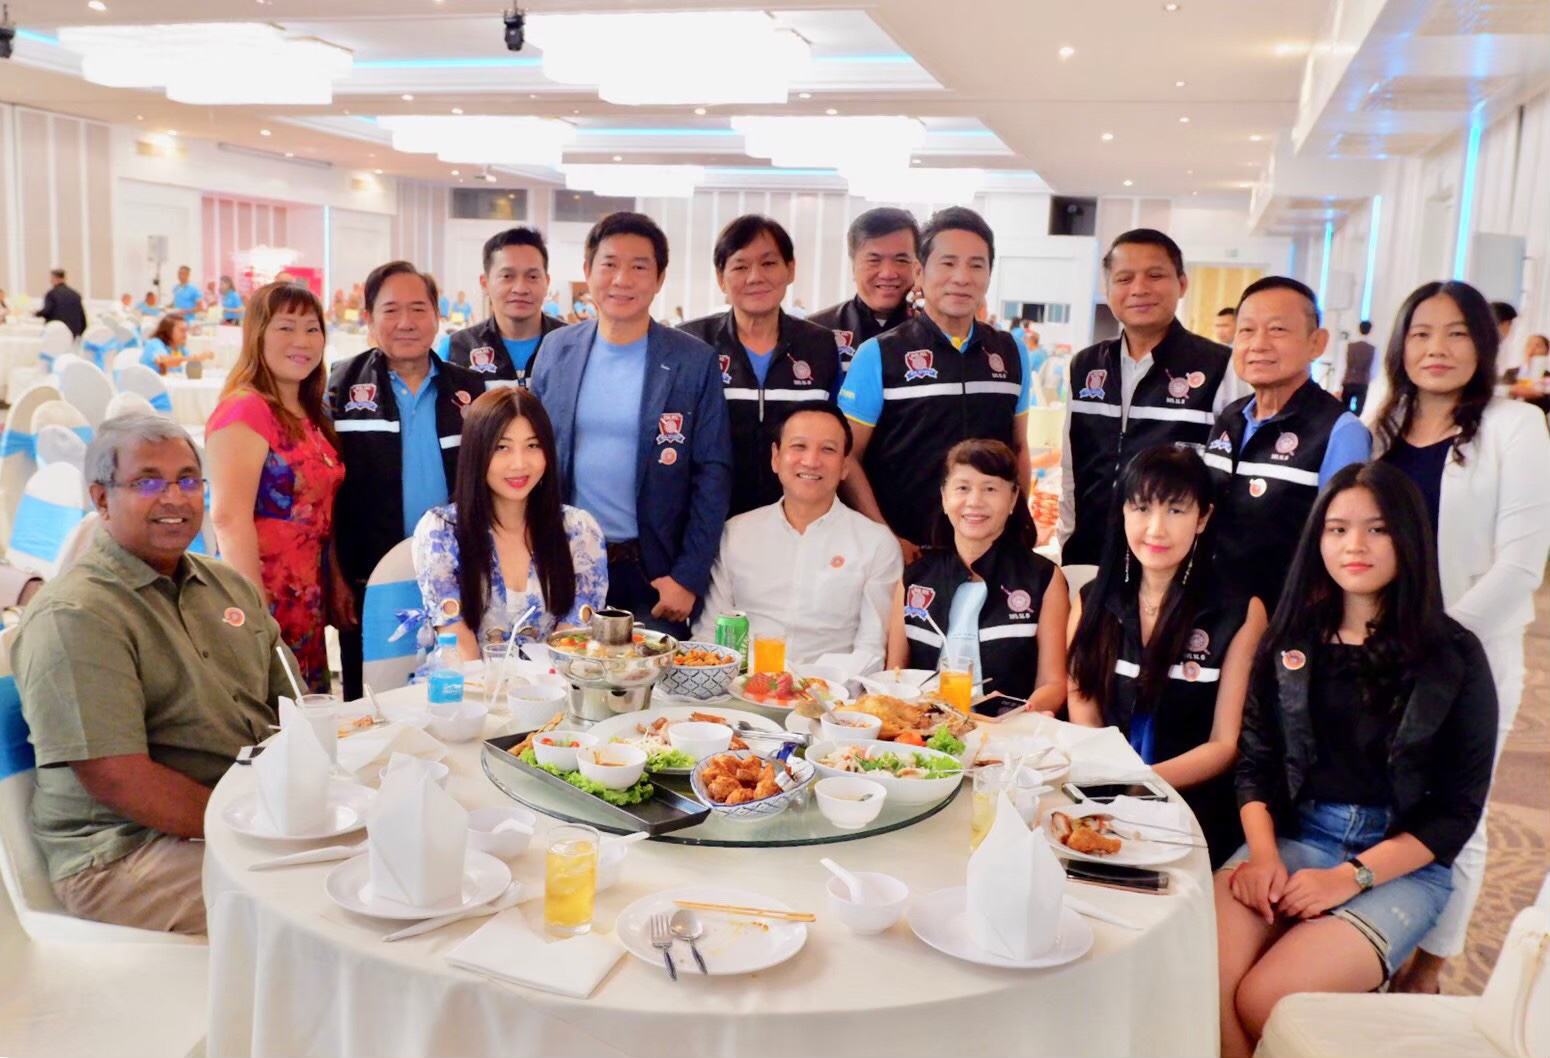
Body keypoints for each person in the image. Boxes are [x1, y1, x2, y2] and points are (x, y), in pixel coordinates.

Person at [1216, 462, 1497, 1057]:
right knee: (1202, 977)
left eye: (1377, 529)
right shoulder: (1290, 640)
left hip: (1401, 864)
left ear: (1408, 536)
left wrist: (1349, 878)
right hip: (1292, 836)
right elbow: (1257, 762)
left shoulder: (1455, 655)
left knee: (1268, 999)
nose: (1355, 546)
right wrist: (1262, 856)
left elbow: (1456, 812)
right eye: (1338, 529)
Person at [11, 414, 298, 935]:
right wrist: (254, 825)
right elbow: (118, 778)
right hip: (122, 852)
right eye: (148, 482)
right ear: (101, 499)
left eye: (188, 480)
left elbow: (293, 709)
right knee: (307, 906)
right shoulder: (78, 615)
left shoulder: (226, 586)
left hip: (235, 815)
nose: (175, 498)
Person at [1369, 280, 1550, 994]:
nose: (1436, 349)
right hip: (1377, 653)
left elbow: (1520, 564)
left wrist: (1432, 645)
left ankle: (1431, 967)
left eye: (1456, 333)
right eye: (1420, 333)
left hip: (1471, 656)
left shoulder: (1514, 426)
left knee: (1454, 814)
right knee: (1378, 803)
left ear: (1485, 342)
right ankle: (1375, 942)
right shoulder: (1384, 422)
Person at [531, 212, 732, 637]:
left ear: (659, 278)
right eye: (609, 264)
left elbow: (712, 473)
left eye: (639, 267)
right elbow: (533, 455)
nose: (622, 279)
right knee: (564, 675)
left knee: (654, 678)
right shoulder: (556, 350)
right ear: (588, 271)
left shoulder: (693, 361)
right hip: (565, 566)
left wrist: (688, 577)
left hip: (653, 575)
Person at [1067, 444, 1267, 865]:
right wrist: (1108, 781)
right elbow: (1082, 703)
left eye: (1175, 510)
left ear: (1203, 518)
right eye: (1142, 508)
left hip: (1192, 805)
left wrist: (1139, 782)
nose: (1156, 529)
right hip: (1100, 794)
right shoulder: (1091, 600)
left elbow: (1224, 743)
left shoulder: (1239, 611)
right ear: (1123, 511)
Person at [327, 260, 486, 700]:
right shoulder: (340, 387)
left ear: (437, 315)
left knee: (461, 692)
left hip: (457, 576)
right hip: (369, 578)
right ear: (369, 317)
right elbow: (327, 497)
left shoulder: (470, 391)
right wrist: (335, 576)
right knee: (371, 700)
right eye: (391, 310)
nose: (406, 322)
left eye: (418, 309)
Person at [839, 207, 1031, 563]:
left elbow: (1018, 447)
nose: (962, 277)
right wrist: (882, 535)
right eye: (948, 263)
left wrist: (1019, 523)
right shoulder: (879, 353)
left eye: (976, 265)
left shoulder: (1011, 351)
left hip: (989, 552)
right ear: (919, 272)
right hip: (908, 552)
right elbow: (847, 455)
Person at [1057, 229, 1240, 568]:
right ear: (1108, 289)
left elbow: (1228, 480)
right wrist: (1067, 540)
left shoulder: (1218, 367)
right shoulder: (1086, 366)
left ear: (1182, 284)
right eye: (1124, 278)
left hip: (1173, 564)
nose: (1139, 289)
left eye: (1155, 276)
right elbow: (1072, 467)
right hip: (1091, 555)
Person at [206, 282, 351, 693]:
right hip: (261, 593)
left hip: (307, 594)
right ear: (258, 335)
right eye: (286, 327)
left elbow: (322, 512)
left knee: (306, 710)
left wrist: (335, 580)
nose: (301, 341)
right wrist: (254, 614)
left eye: (312, 329)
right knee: (266, 710)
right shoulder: (245, 409)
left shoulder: (312, 411)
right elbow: (229, 519)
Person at [1203, 277, 1371, 610]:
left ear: (1316, 343)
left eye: (1277, 330)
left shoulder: (1340, 431)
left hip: (1286, 616)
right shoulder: (1230, 418)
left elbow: (1344, 543)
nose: (1258, 344)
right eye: (1246, 330)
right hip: (1212, 609)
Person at [695, 403, 901, 663]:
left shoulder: (876, 543)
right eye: (799, 446)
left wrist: (806, 682)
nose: (811, 461)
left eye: (828, 449)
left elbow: (871, 652)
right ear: (776, 457)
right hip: (742, 683)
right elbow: (709, 635)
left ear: (845, 465)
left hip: (834, 687)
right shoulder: (735, 534)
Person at [412, 387, 607, 660]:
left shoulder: (579, 530)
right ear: (476, 452)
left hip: (553, 682)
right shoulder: (441, 530)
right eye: (501, 447)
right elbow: (456, 643)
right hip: (464, 681)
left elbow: (572, 645)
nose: (519, 464)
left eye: (532, 446)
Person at [886, 439, 1067, 713]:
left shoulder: (1043, 578)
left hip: (1009, 730)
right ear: (944, 497)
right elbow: (895, 675)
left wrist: (1016, 714)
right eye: (963, 488)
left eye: (990, 488)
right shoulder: (915, 578)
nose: (975, 501)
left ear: (1013, 498)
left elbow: (1053, 684)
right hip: (922, 729)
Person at [680, 215, 842, 517]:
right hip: (711, 520)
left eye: (768, 263)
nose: (755, 277)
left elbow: (836, 436)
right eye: (740, 266)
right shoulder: (692, 343)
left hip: (798, 520)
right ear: (721, 278)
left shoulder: (820, 346)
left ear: (790, 269)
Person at [437, 227, 566, 388]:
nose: (520, 288)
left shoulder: (574, 346)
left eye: (532, 277)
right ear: (485, 283)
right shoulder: (455, 348)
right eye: (507, 276)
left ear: (547, 282)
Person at [809, 207, 920, 371]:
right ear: (853, 267)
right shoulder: (814, 332)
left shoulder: (937, 331)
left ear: (918, 267)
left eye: (901, 260)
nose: (888, 273)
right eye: (874, 260)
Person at [140, 316, 211, 375]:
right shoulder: (155, 343)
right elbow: (163, 362)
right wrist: (194, 358)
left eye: (186, 330)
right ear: (168, 331)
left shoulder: (180, 348)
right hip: (150, 386)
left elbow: (190, 365)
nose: (185, 334)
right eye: (182, 330)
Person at [35, 268, 87, 337]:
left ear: (54, 278)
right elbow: (82, 318)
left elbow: (46, 311)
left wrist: (36, 313)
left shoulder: (52, 294)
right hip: (73, 333)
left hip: (56, 333)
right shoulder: (75, 294)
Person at [1340, 319, 1377, 414]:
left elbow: (1344, 364)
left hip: (1348, 380)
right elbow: (1374, 369)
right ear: (1370, 330)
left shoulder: (1350, 346)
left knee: (1343, 409)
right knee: (1358, 411)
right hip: (1362, 382)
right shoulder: (1372, 349)